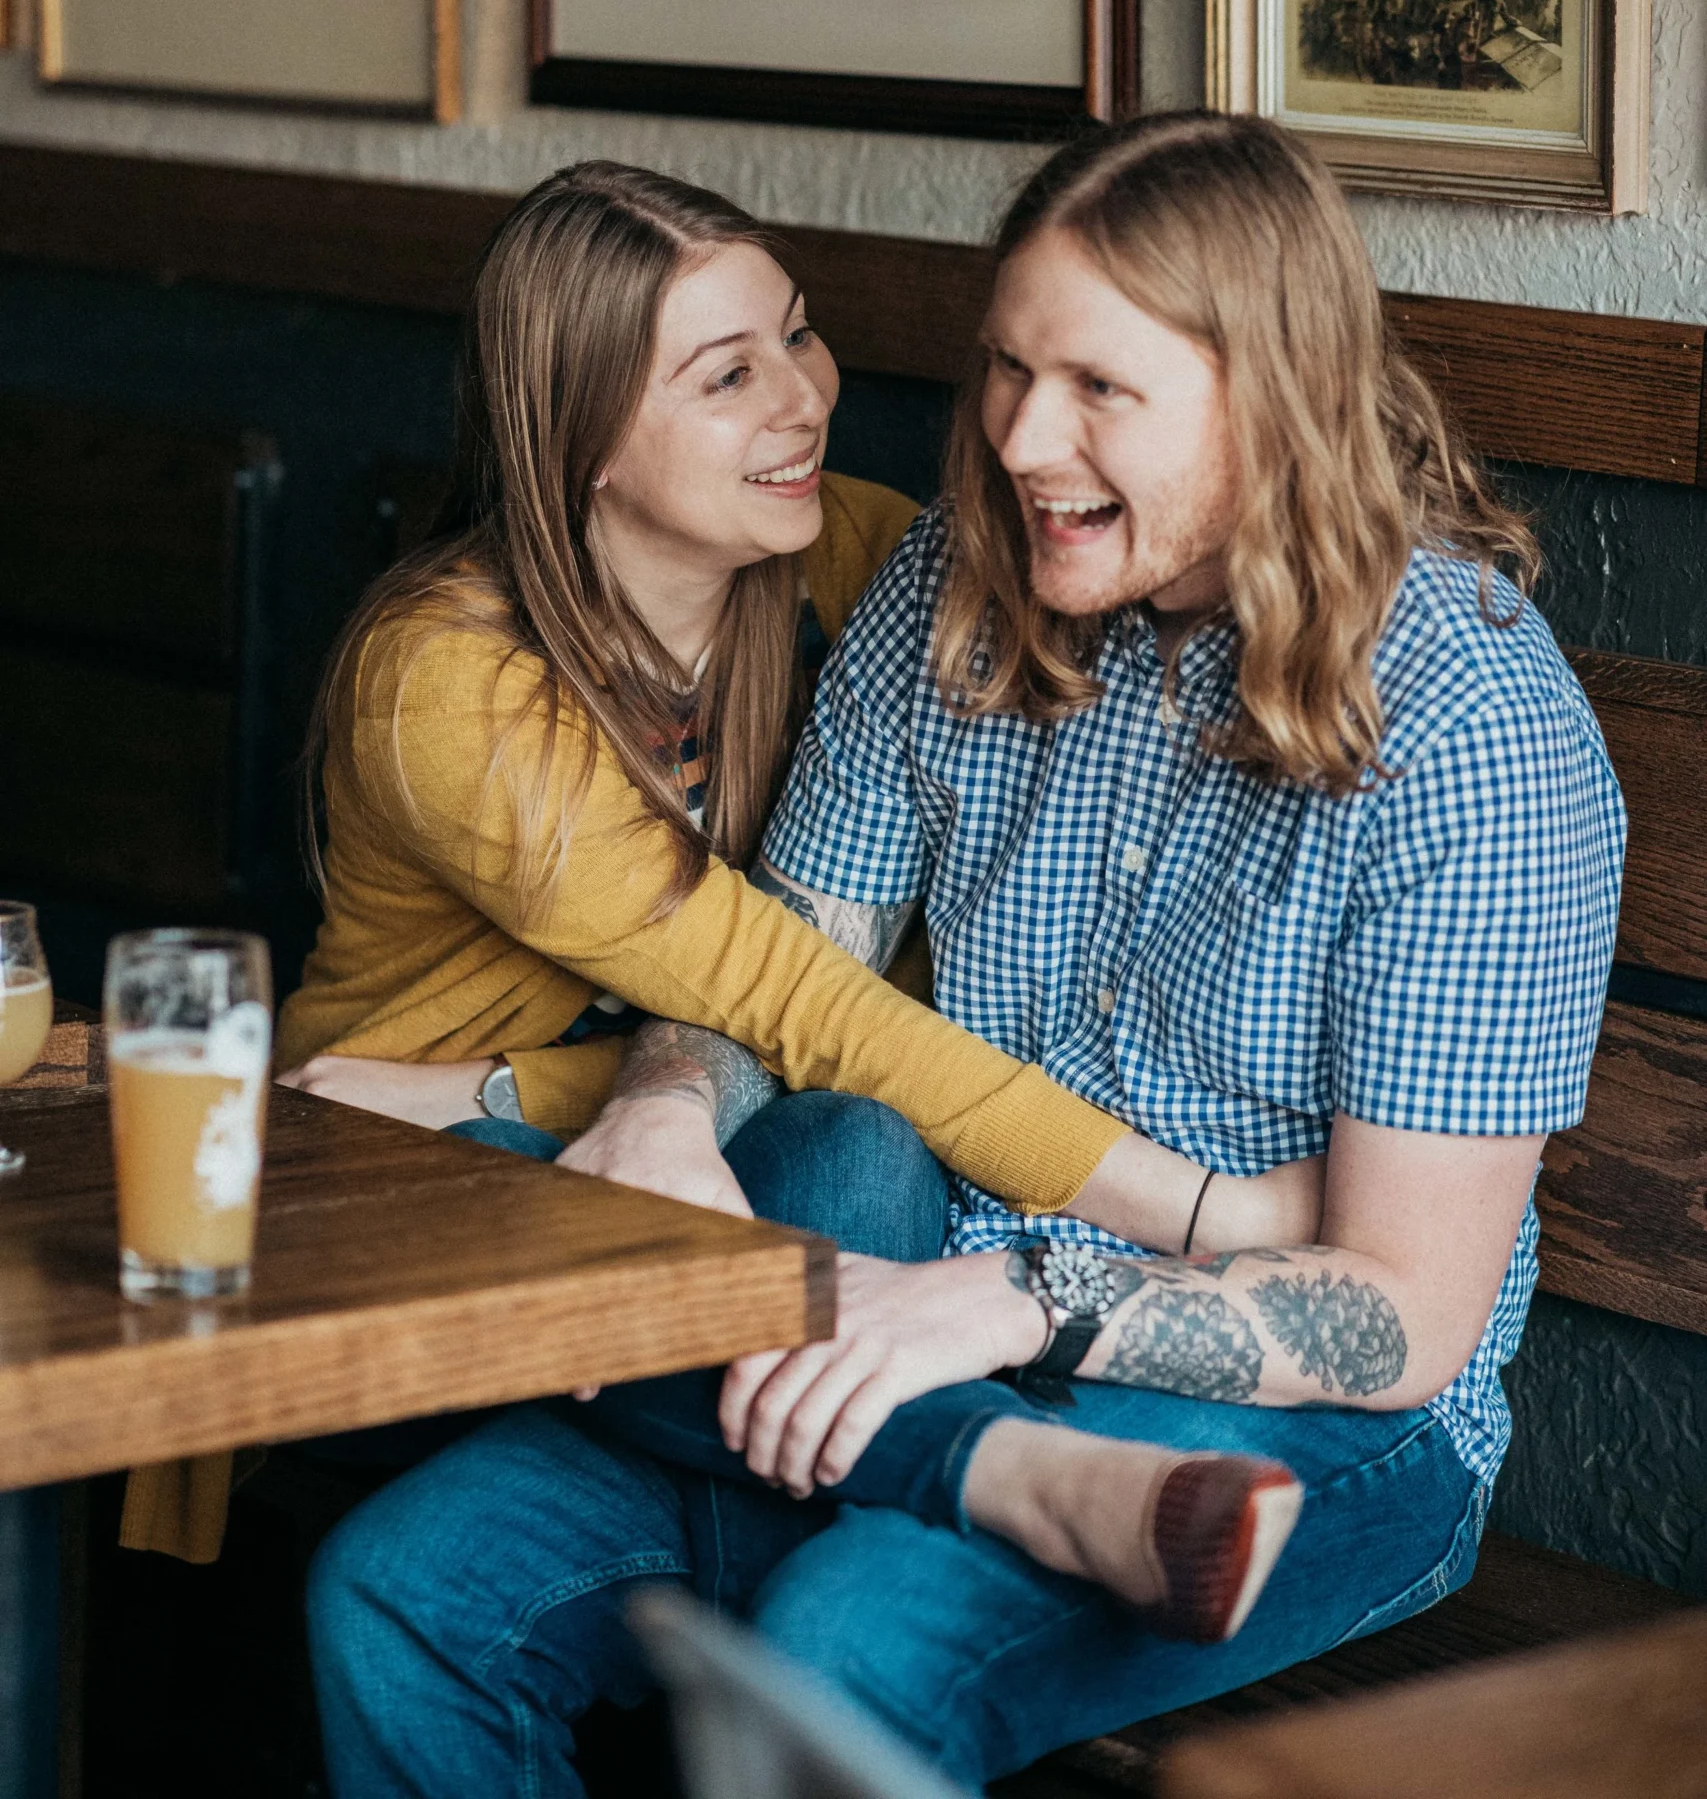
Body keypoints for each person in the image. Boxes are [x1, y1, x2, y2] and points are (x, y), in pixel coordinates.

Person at [307, 116, 1625, 1795]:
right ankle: (973, 1459)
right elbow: (786, 967)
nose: (1015, 436)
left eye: (1095, 389)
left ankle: (974, 1466)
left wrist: (1007, 1301)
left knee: (839, 1641)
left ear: (1271, 395)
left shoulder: (1469, 731)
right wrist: (664, 1100)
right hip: (904, 1285)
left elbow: (1405, 1321)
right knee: (404, 1595)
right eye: (1006, 367)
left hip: (1303, 1421)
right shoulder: (958, 578)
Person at [123, 158, 1319, 1570]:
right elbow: (801, 998)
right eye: (727, 376)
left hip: (691, 1169)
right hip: (402, 1197)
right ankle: (999, 1477)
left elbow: (903, 975)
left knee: (858, 1150)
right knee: (632, 1184)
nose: (802, 396)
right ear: (582, 441)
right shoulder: (447, 683)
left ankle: (741, 1557)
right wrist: (1206, 1214)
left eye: (797, 334)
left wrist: (558, 1090)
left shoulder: (864, 561)